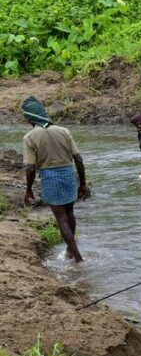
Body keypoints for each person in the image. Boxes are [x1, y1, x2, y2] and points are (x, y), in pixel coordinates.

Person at [22, 97, 88, 263]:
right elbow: (78, 159)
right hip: (68, 174)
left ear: (30, 119)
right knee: (70, 212)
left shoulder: (30, 137)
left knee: (60, 218)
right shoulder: (63, 131)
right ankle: (70, 250)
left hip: (50, 177)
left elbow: (30, 168)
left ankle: (77, 256)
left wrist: (28, 189)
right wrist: (83, 183)